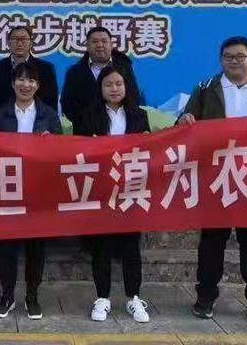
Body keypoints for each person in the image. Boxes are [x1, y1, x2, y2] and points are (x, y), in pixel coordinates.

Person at [178, 36, 247, 327]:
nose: (234, 61)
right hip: (216, 176)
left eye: (240, 56)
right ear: (221, 60)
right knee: (212, 241)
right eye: (228, 56)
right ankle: (205, 298)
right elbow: (184, 124)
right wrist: (185, 119)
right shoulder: (206, 89)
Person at [0, 61, 62, 320]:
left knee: (35, 248)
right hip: (9, 189)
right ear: (13, 83)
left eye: (31, 80)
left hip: (38, 190)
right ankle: (7, 295)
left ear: (38, 85)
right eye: (21, 79)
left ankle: (32, 296)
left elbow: (61, 151)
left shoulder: (48, 115)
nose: (25, 84)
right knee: (7, 247)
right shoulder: (0, 114)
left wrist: (51, 143)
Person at [81, 65, 150, 324]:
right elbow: (78, 152)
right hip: (101, 189)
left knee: (131, 246)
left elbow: (149, 152)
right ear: (100, 88)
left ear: (126, 86)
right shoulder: (89, 115)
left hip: (131, 189)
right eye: (108, 84)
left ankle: (134, 297)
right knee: (102, 246)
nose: (114, 89)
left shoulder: (139, 115)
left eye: (118, 84)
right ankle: (102, 298)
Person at [61, 27, 141, 136]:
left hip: (123, 132)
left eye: (104, 41)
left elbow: (134, 97)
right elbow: (68, 105)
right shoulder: (75, 72)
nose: (99, 45)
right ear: (87, 46)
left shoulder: (124, 68)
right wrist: (87, 122)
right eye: (94, 42)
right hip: (87, 134)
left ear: (111, 44)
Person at [0, 26, 58, 131]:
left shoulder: (45, 69)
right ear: (8, 43)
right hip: (2, 128)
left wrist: (51, 129)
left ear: (31, 43)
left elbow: (51, 102)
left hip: (37, 128)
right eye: (15, 39)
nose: (19, 43)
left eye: (24, 39)